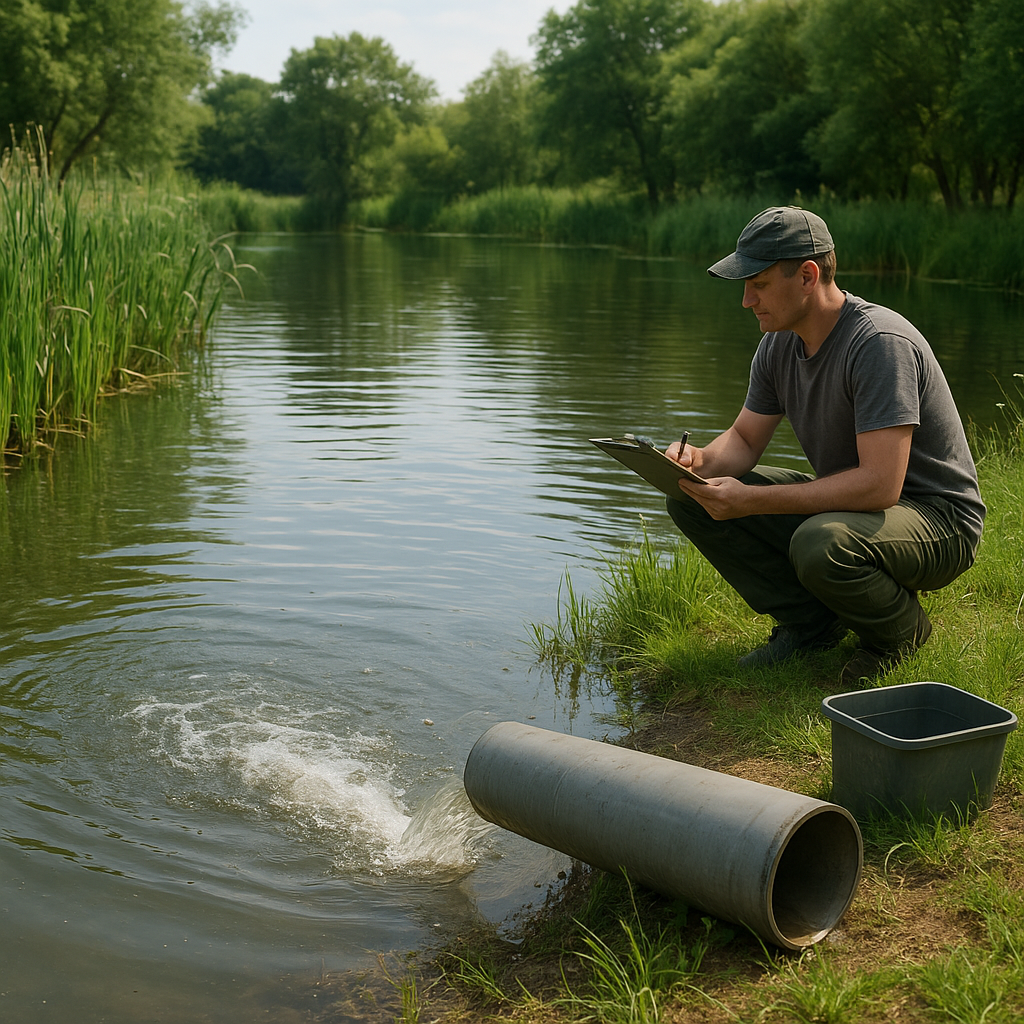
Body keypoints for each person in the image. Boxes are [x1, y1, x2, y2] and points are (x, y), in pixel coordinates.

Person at [665, 206, 984, 685]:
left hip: (938, 521)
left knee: (820, 544)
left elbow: (879, 486)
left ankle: (899, 636)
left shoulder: (878, 343)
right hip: (859, 504)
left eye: (759, 283)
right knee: (689, 497)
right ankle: (814, 626)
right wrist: (698, 462)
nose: (747, 300)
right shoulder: (778, 343)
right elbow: (746, 439)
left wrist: (750, 500)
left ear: (808, 275)